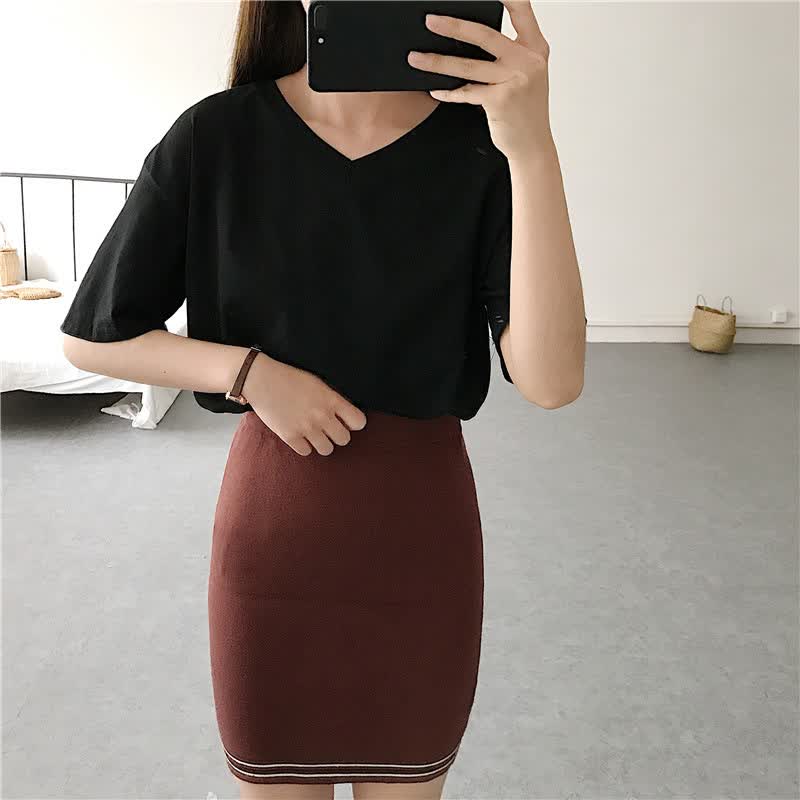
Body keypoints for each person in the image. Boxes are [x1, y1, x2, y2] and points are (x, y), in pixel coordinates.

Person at [60, 1, 586, 797]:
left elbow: (553, 380)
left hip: (423, 552)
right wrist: (251, 373)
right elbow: (93, 335)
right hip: (272, 548)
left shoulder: (483, 147)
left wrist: (533, 147)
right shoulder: (216, 136)